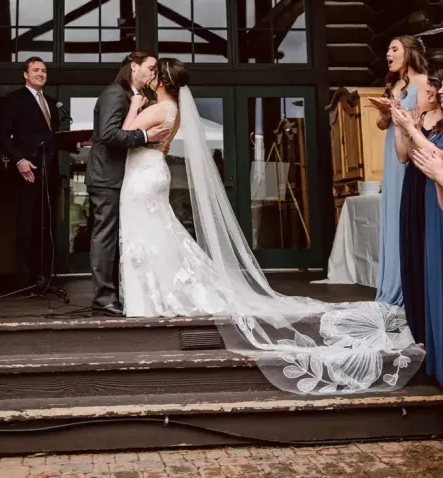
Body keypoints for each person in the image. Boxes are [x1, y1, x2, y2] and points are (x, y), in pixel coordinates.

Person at [118, 57, 424, 397]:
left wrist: (133, 104)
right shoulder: (174, 107)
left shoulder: (157, 108)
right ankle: (151, 293)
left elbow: (126, 131)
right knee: (159, 234)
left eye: (153, 73)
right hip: (153, 170)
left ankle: (145, 299)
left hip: (143, 175)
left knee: (146, 235)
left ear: (160, 80)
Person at [86, 51, 170, 317]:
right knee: (105, 236)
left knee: (118, 236)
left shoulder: (133, 97)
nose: (153, 73)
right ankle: (103, 298)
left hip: (122, 176)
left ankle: (117, 293)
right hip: (107, 177)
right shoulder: (114, 94)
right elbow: (109, 135)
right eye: (151, 68)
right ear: (134, 67)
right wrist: (145, 135)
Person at [368, 36, 427, 307]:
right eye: (387, 50)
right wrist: (385, 111)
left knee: (408, 213)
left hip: (413, 153)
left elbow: (425, 122)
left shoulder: (424, 83)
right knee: (392, 214)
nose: (388, 54)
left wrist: (402, 114)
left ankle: (409, 285)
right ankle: (392, 283)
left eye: (394, 49)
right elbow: (382, 125)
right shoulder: (393, 85)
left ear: (410, 53)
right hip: (392, 155)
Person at [393, 79, 443, 388]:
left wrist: (411, 131)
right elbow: (406, 155)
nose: (438, 94)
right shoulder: (421, 121)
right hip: (427, 190)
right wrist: (405, 128)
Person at [0, 57, 59, 292]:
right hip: (27, 171)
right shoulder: (14, 99)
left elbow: (52, 137)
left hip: (48, 172)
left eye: (44, 71)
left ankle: (43, 277)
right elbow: (2, 136)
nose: (41, 74)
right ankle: (23, 280)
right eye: (35, 70)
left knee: (45, 225)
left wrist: (74, 144)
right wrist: (19, 160)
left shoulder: (52, 103)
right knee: (26, 225)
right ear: (25, 74)